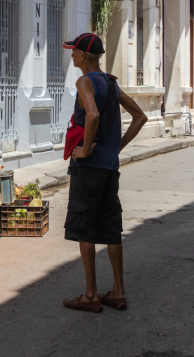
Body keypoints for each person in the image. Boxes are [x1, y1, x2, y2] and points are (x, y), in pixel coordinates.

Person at [61, 33, 147, 313]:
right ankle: (118, 292)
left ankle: (90, 295)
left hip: (89, 169)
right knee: (111, 228)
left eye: (74, 52)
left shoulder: (84, 81)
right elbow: (140, 116)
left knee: (86, 227)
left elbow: (93, 115)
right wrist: (115, 147)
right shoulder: (110, 83)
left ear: (84, 56)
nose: (72, 56)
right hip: (109, 167)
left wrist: (86, 150)